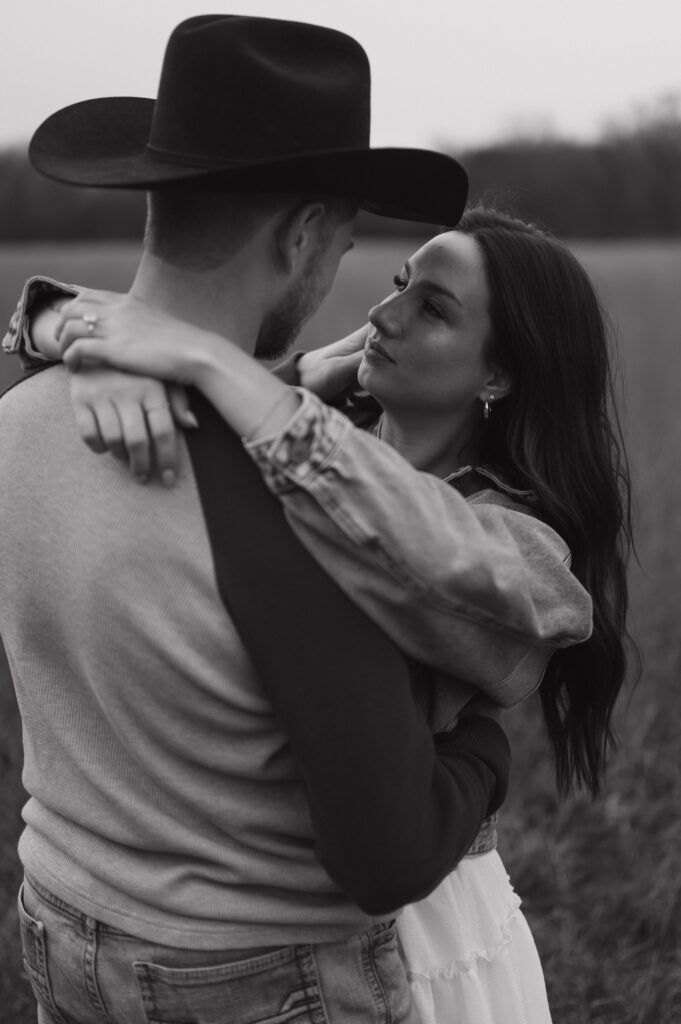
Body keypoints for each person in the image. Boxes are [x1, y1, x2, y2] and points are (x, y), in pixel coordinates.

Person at [0, 16, 516, 1024]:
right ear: (301, 233)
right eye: (345, 244)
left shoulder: (21, 413)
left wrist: (56, 320)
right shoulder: (307, 500)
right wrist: (489, 749)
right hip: (255, 974)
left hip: (60, 919)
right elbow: (388, 854)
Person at [15, 205, 634, 1022]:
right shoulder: (318, 431)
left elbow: (416, 547)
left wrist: (237, 374)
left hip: (406, 922)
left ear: (497, 377)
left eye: (432, 309)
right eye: (399, 284)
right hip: (240, 905)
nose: (382, 314)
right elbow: (85, 332)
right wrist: (73, 329)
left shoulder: (518, 541)